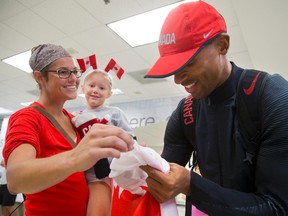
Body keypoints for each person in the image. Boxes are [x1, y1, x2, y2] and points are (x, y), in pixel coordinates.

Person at [141, 1, 288, 215]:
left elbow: (277, 208)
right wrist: (139, 162)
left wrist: (191, 185)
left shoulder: (272, 97)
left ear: (222, 45)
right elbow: (164, 181)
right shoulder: (186, 112)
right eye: (173, 67)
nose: (177, 79)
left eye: (188, 62)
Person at [2, 44, 134, 216]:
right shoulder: (26, 118)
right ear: (40, 77)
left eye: (75, 71)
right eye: (63, 72)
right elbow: (15, 180)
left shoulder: (74, 120)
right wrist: (75, 158)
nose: (73, 78)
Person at [77, 69, 135, 216]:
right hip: (85, 172)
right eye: (91, 86)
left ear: (109, 93)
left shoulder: (115, 113)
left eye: (102, 88)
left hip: (109, 171)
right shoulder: (77, 118)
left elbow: (130, 136)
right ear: (83, 88)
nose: (96, 90)